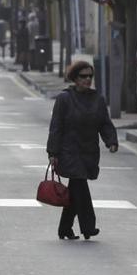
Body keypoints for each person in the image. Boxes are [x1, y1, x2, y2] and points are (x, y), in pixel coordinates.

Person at [47, 61, 118, 240]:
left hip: (89, 152)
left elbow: (104, 123)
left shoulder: (97, 99)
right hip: (68, 152)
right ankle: (88, 226)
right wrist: (53, 152)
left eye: (89, 76)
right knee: (80, 186)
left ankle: (65, 228)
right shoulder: (64, 99)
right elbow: (56, 126)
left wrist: (111, 141)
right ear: (74, 78)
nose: (87, 80)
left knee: (75, 189)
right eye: (83, 76)